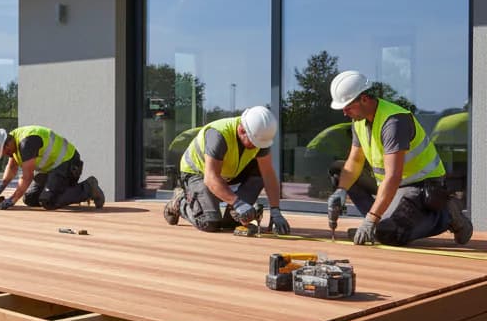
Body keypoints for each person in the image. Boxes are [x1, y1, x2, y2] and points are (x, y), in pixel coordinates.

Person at [326, 71, 473, 246]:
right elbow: (355, 161)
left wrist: (371, 220)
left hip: (419, 185)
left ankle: (447, 214)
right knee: (339, 171)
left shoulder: (393, 122)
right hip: (391, 185)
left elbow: (393, 176)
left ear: (364, 98)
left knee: (391, 235)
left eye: (348, 106)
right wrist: (341, 191)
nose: (344, 112)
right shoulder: (359, 120)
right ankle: (379, 225)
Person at [163, 106, 291, 235]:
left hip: (228, 173)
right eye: (253, 143)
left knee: (234, 221)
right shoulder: (218, 134)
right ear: (242, 130)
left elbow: (268, 174)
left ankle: (234, 214)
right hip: (197, 173)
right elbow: (211, 177)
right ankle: (180, 202)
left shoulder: (259, 138)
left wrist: (276, 211)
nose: (256, 147)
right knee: (209, 222)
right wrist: (238, 203)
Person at [0, 126, 105, 210]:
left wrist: (12, 200)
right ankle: (63, 193)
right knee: (30, 199)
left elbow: (27, 177)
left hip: (68, 163)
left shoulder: (27, 143)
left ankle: (89, 188)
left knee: (48, 201)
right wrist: (1, 187)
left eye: (4, 151)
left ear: (7, 143)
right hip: (52, 169)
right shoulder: (13, 140)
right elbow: (12, 166)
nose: (5, 154)